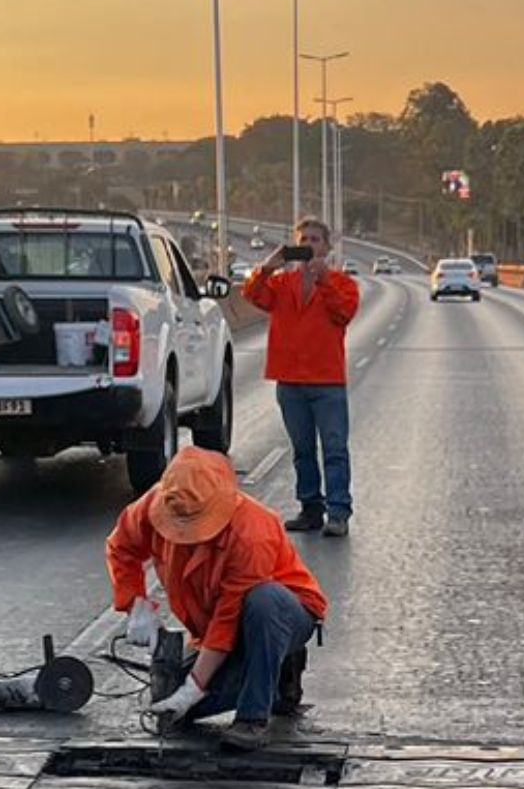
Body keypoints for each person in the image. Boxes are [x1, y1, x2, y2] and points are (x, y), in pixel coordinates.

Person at [106, 448, 329, 751]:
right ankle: (273, 674)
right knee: (174, 714)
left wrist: (193, 688)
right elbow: (122, 547)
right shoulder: (155, 505)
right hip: (213, 628)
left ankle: (253, 717)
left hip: (282, 614)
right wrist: (136, 605)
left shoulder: (252, 532)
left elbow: (228, 618)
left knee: (264, 601)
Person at [243, 217, 361, 537]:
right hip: (291, 381)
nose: (309, 245)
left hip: (327, 382)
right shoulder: (281, 286)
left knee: (334, 448)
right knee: (302, 449)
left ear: (326, 246)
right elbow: (253, 295)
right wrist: (267, 267)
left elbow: (344, 313)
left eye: (315, 240)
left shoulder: (342, 284)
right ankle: (311, 508)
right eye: (303, 240)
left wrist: (323, 280)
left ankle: (338, 512)